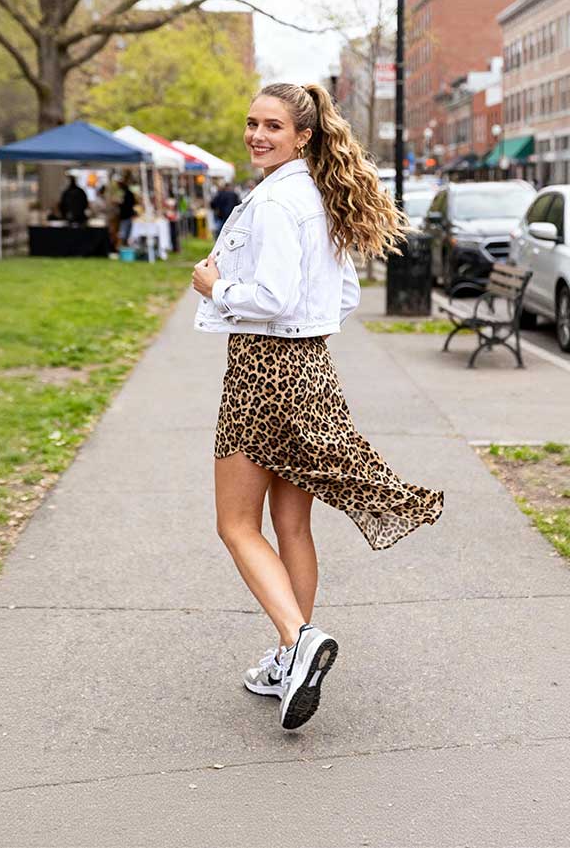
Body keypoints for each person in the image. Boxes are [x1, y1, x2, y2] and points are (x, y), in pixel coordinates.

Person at [192, 83, 444, 731]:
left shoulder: (278, 202)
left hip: (262, 373)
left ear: (302, 136)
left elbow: (272, 296)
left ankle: (298, 639)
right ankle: (290, 660)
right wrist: (307, 332)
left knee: (236, 524)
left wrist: (216, 287)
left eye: (272, 126)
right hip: (310, 370)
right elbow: (346, 294)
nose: (257, 135)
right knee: (292, 527)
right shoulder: (317, 195)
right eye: (252, 122)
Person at [117, 180, 136, 246]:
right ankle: (125, 243)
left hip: (125, 215)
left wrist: (119, 205)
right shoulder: (129, 194)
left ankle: (123, 244)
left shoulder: (126, 195)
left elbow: (125, 205)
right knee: (127, 230)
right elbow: (133, 203)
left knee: (123, 230)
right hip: (128, 214)